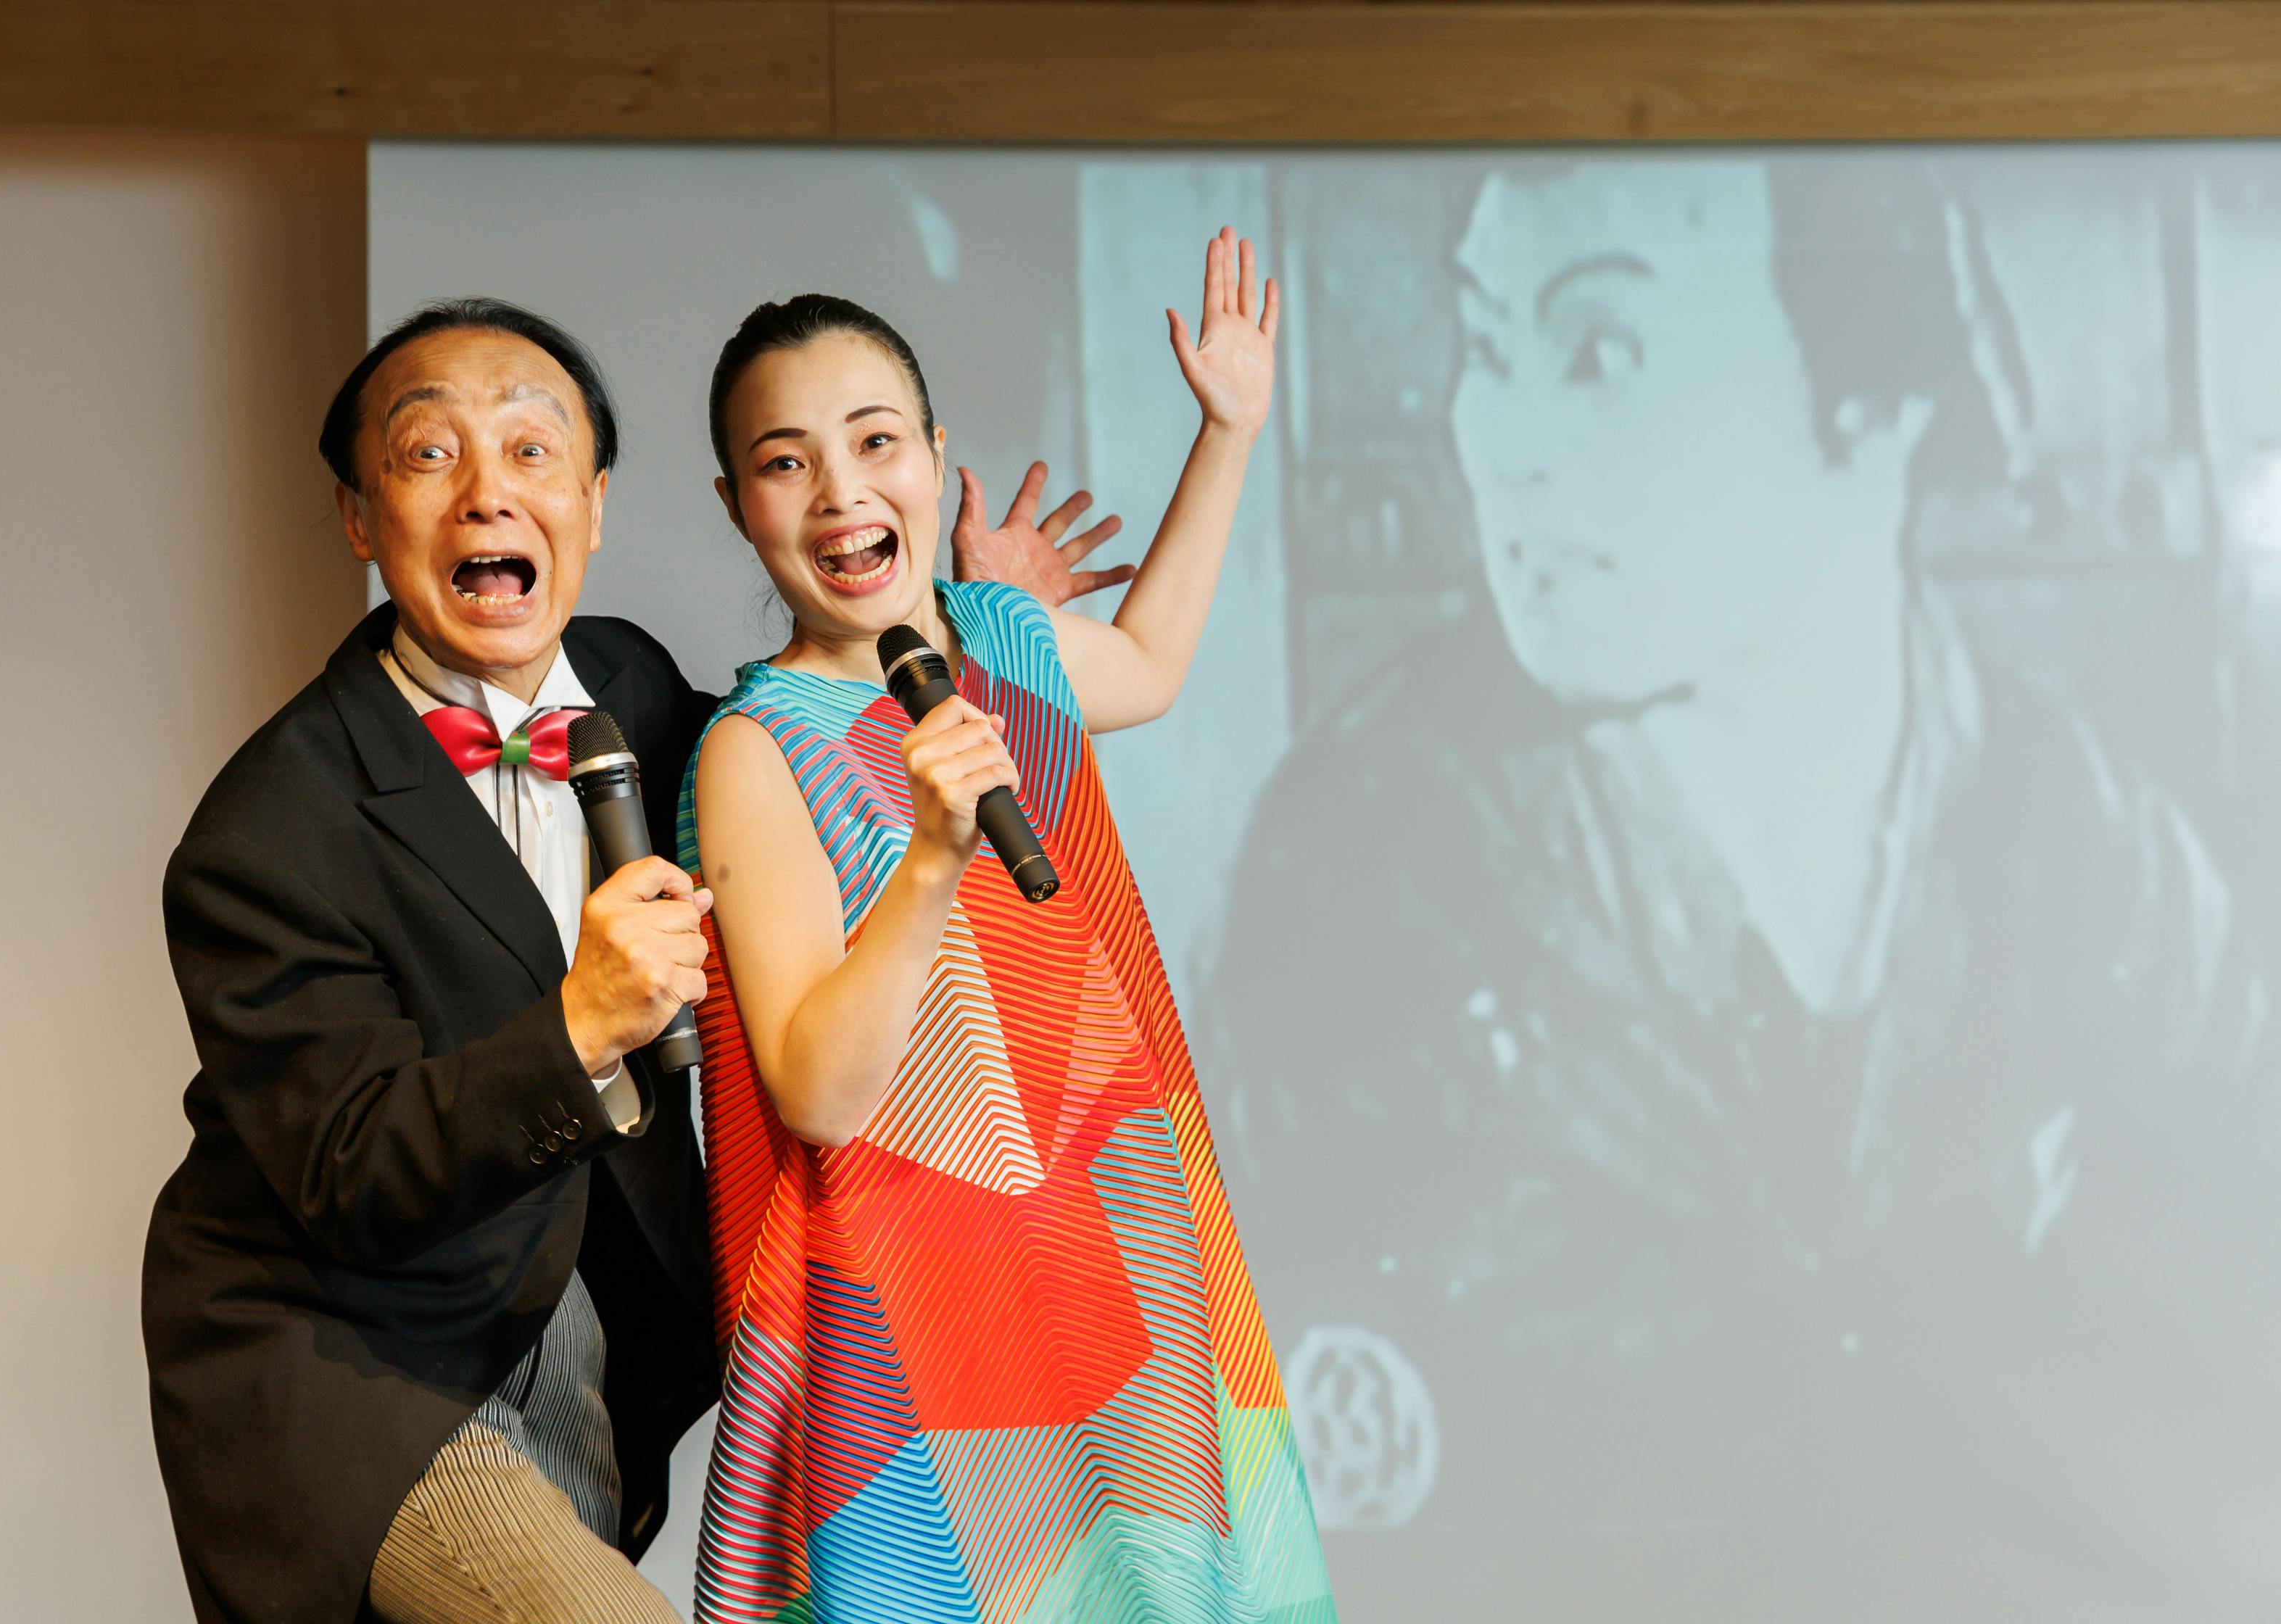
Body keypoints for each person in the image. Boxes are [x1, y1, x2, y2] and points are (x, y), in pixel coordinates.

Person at [1208, 157, 2278, 1610]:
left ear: (1875, 401)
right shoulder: (1359, 858)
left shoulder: (2079, 842)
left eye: (1602, 352)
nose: (1501, 446)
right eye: (1487, 349)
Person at [140, 298, 1119, 1624]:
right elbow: (351, 1175)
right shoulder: (265, 832)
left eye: (531, 450)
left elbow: (820, 764)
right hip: (362, 1369)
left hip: (587, 1338)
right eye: (429, 455)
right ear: (360, 518)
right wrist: (580, 1026)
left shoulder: (634, 686)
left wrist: (965, 631)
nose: (489, 493)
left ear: (595, 503)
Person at [679, 231, 1337, 1621]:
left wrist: (1227, 433)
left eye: (876, 441)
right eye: (788, 462)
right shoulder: (756, 747)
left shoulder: (1005, 640)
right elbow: (818, 1090)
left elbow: (1147, 663)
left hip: (1116, 1250)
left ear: (934, 454)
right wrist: (933, 859)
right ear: (738, 504)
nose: (843, 491)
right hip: (918, 1331)